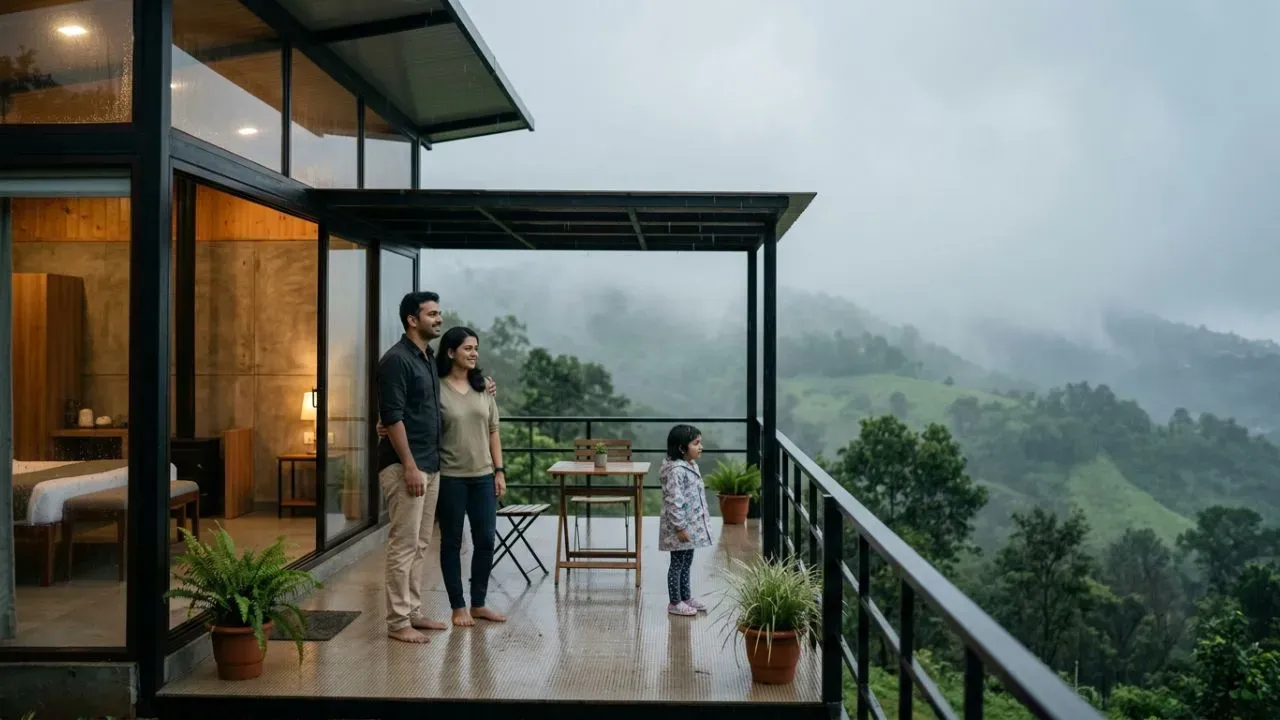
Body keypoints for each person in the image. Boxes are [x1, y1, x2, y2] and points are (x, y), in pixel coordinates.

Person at [376, 292, 495, 644]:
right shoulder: (397, 360)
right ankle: (398, 622)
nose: (438, 319)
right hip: (406, 467)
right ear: (412, 320)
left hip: (431, 466)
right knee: (403, 544)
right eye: (432, 314)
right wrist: (410, 465)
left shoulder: (426, 358)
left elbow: (426, 408)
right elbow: (392, 415)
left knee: (420, 543)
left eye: (439, 313)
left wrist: (485, 385)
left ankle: (412, 611)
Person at [434, 326, 508, 626]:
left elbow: (493, 431)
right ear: (451, 352)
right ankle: (457, 606)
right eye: (467, 348)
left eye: (476, 348)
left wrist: (499, 471)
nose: (474, 353)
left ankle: (478, 602)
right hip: (450, 477)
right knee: (451, 542)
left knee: (486, 540)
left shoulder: (483, 388)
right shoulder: (436, 387)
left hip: (483, 477)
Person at [658, 424, 713, 617]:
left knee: (687, 562)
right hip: (679, 529)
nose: (701, 447)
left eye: (700, 443)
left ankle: (686, 597)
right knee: (677, 564)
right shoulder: (675, 471)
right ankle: (675, 602)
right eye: (696, 443)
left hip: (690, 527)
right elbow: (674, 501)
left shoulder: (690, 465)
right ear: (682, 448)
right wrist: (680, 527)